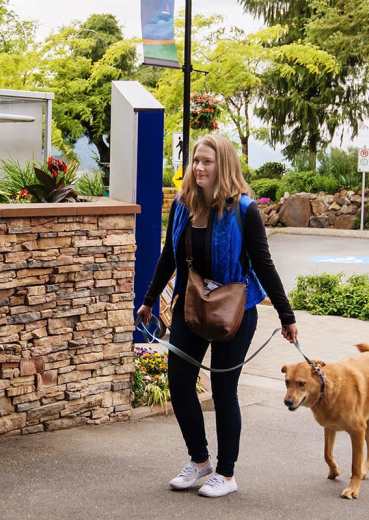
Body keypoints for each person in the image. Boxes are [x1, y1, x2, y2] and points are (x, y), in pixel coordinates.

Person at [136, 134, 298, 498]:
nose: (199, 167)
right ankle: (199, 460)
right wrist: (148, 300)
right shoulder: (182, 206)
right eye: (195, 161)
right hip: (191, 304)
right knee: (179, 384)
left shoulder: (244, 210)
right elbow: (168, 257)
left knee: (224, 392)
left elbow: (264, 265)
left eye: (207, 161)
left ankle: (226, 474)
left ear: (222, 165)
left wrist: (286, 316)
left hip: (234, 310)